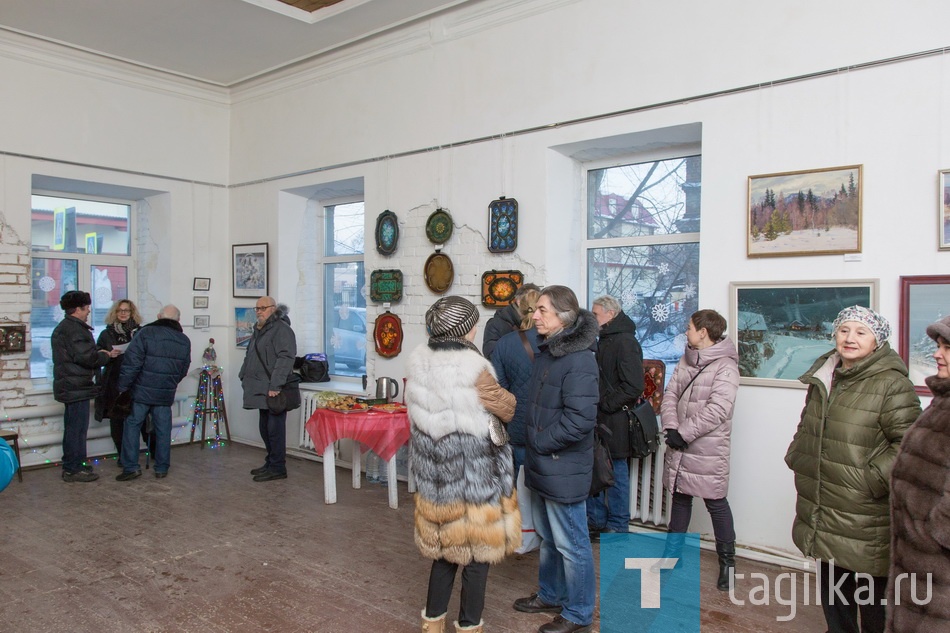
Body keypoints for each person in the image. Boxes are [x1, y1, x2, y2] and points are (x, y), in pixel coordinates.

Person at [785, 306, 920, 633]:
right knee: (835, 601)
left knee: (873, 606)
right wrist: (797, 455)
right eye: (845, 330)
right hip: (824, 504)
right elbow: (808, 425)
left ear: (877, 341)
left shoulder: (891, 384)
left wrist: (870, 480)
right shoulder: (825, 373)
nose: (850, 338)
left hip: (864, 514)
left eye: (861, 332)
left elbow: (909, 444)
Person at [406, 296, 520, 633]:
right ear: (468, 329)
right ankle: (469, 625)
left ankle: (432, 624)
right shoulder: (474, 367)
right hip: (475, 477)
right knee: (477, 557)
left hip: (438, 477)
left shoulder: (419, 362)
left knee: (444, 554)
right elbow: (507, 409)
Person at [514, 285, 599, 633]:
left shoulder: (580, 359)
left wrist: (541, 442)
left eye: (543, 310)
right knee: (549, 538)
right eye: (536, 309)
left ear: (563, 317)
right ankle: (551, 594)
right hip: (543, 462)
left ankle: (578, 613)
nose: (535, 315)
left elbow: (580, 420)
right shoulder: (550, 352)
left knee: (572, 543)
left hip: (561, 464)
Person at [659, 309, 740, 591]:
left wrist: (683, 433)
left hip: (707, 448)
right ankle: (671, 557)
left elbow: (719, 409)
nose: (686, 331)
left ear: (703, 332)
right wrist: (670, 428)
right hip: (680, 443)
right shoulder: (686, 358)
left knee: (716, 503)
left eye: (690, 327)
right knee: (680, 498)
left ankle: (728, 564)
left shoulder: (726, 366)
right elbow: (670, 394)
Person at [887, 315, 950, 632]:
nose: (938, 354)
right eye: (938, 346)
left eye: (947, 347)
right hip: (921, 565)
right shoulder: (944, 401)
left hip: (939, 576)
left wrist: (934, 533)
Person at [586, 295, 644, 540]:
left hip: (615, 420)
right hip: (600, 418)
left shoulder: (625, 342)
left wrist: (605, 404)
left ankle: (618, 526)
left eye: (596, 314)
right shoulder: (604, 339)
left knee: (616, 473)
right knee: (596, 470)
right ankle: (597, 522)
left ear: (610, 315)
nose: (592, 318)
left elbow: (633, 386)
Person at [115, 305, 191, 481]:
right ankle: (162, 468)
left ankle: (131, 467)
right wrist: (170, 383)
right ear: (178, 320)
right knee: (163, 429)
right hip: (165, 393)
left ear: (158, 316)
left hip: (141, 391)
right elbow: (183, 368)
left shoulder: (146, 333)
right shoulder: (183, 340)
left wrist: (123, 387)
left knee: (132, 426)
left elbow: (131, 363)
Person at [51, 290, 119, 483]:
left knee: (75, 428)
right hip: (76, 387)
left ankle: (76, 463)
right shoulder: (74, 329)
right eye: (87, 308)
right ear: (77, 309)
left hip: (72, 386)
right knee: (76, 429)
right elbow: (86, 357)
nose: (88, 311)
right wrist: (106, 355)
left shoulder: (67, 327)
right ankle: (73, 468)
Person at [239, 297, 297, 482]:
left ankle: (278, 467)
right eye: (257, 308)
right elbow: (250, 354)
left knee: (274, 429)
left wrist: (276, 385)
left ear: (273, 309)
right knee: (265, 427)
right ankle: (271, 462)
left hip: (274, 389)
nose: (259, 311)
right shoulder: (260, 329)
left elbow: (286, 358)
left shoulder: (282, 329)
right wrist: (243, 375)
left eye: (263, 308)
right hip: (259, 387)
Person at [490, 286, 541, 476]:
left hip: (518, 421)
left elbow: (499, 386)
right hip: (549, 423)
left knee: (518, 479)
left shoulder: (505, 343)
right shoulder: (555, 341)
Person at [95, 299, 146, 459]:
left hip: (136, 381)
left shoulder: (140, 332)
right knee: (117, 421)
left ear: (132, 313)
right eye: (120, 310)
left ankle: (135, 454)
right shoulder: (106, 333)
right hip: (113, 381)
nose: (123, 313)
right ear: (115, 313)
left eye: (127, 310)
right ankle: (123, 455)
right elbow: (97, 354)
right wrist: (107, 355)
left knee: (139, 419)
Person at [482, 282, 540, 359]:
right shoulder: (495, 324)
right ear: (519, 302)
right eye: (531, 300)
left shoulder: (539, 323)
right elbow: (491, 354)